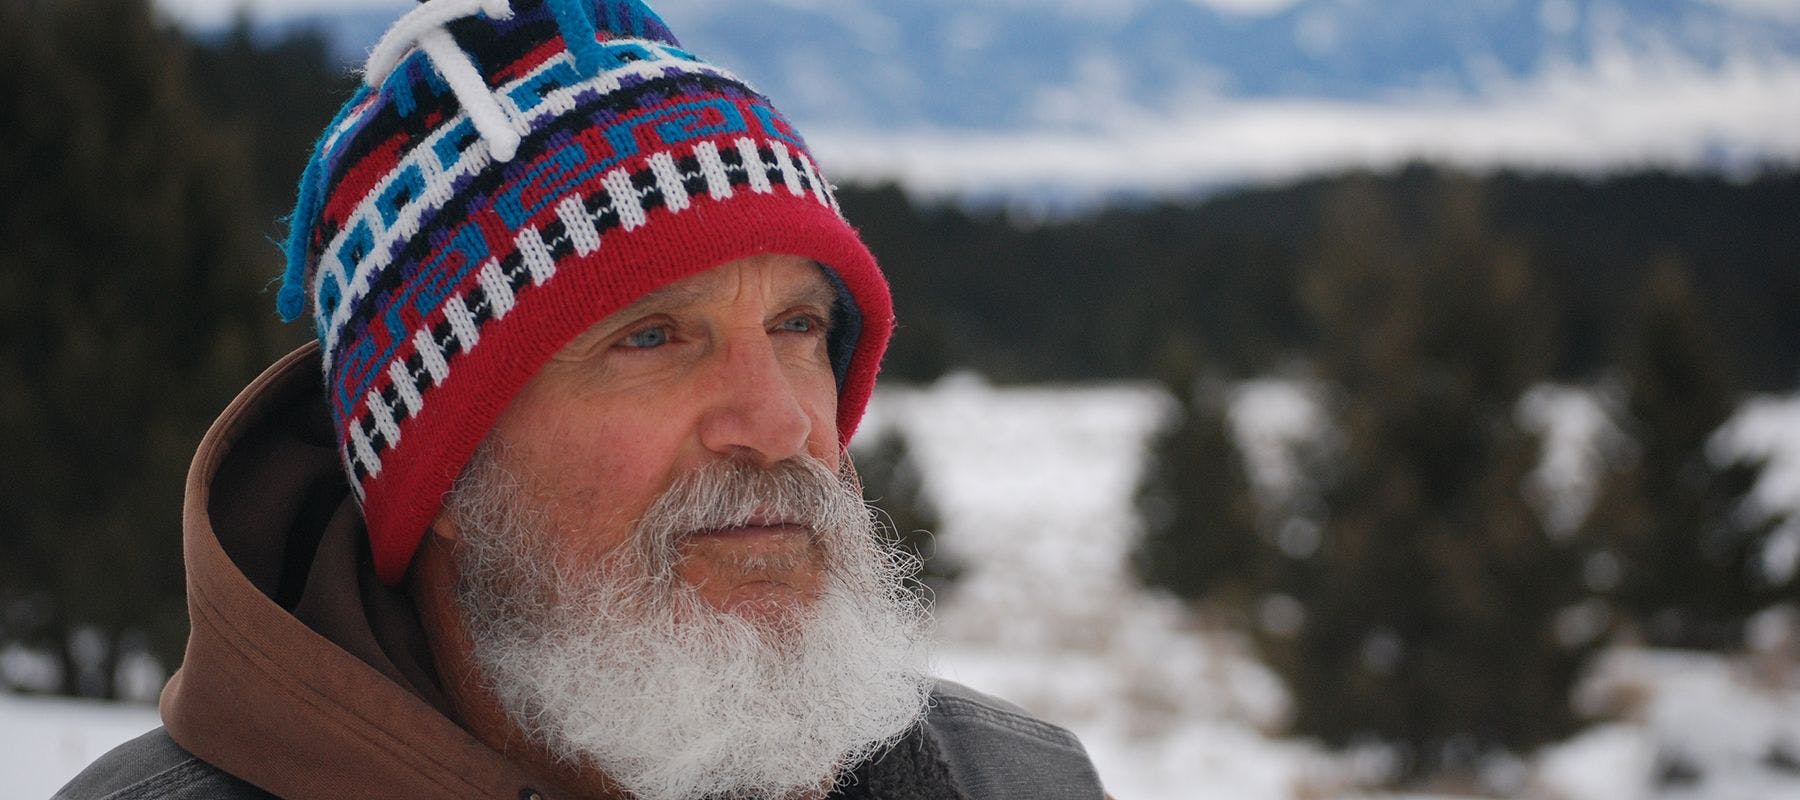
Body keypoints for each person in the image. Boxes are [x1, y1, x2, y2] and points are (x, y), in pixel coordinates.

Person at [56, 1, 1107, 798]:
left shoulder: (1011, 780)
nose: (783, 422)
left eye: (798, 327)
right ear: (443, 469)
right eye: (650, 336)